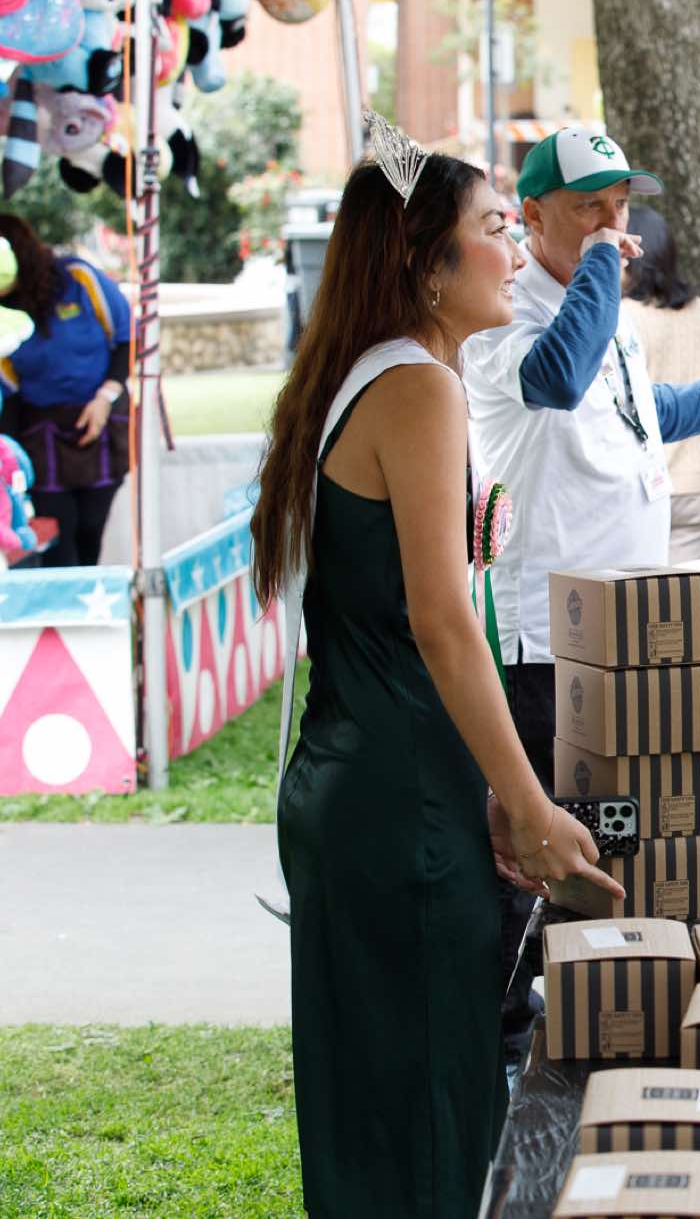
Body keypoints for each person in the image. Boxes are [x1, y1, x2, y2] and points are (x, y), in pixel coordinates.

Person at [248, 133, 623, 1219]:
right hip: (395, 799)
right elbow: (444, 626)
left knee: (389, 1104)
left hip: (375, 782)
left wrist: (489, 794)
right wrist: (529, 805)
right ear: (425, 263)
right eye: (495, 228)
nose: (515, 252)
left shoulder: (381, 371)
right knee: (418, 1116)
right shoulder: (416, 385)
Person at [459, 126, 700, 1064]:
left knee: (612, 826)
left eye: (621, 206)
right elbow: (558, 380)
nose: (616, 226)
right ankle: (495, 1033)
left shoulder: (600, 307)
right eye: (591, 208)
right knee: (533, 836)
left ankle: (583, 1001)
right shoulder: (504, 315)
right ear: (531, 217)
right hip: (546, 638)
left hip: (626, 631)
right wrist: (599, 273)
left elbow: (647, 417)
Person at [0, 213, 131, 566]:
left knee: (91, 528)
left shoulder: (78, 278)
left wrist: (105, 398)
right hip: (42, 429)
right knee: (59, 539)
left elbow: (127, 337)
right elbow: (6, 390)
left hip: (99, 415)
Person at [620, 204, 700, 561]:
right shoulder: (699, 310)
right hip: (696, 485)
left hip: (638, 485)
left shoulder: (620, 317)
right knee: (680, 593)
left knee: (636, 593)